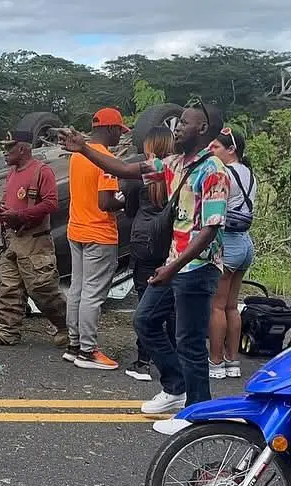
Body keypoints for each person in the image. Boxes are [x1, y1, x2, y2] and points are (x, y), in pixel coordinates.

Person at [60, 101, 228, 430]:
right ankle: (176, 387)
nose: (177, 128)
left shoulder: (214, 171)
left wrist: (173, 266)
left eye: (185, 123)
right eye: (177, 122)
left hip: (197, 267)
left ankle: (196, 413)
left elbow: (209, 231)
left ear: (203, 131)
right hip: (173, 265)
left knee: (190, 341)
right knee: (146, 321)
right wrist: (83, 149)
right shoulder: (173, 162)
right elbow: (124, 170)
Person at [0, 130, 68, 348]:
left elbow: (51, 203)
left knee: (43, 288)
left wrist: (20, 215)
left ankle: (67, 327)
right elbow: (5, 207)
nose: (5, 151)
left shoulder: (41, 171)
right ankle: (7, 332)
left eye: (9, 147)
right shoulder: (11, 174)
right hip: (12, 239)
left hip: (35, 239)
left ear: (23, 148)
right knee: (7, 287)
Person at [63, 108, 127, 370]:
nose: (120, 138)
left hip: (76, 229)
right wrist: (121, 201)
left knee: (77, 289)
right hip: (99, 233)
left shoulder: (77, 157)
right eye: (119, 132)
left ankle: (74, 344)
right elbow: (105, 202)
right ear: (111, 129)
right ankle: (88, 351)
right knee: (93, 293)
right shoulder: (105, 159)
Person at [122, 127, 177, 382]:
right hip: (171, 241)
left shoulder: (142, 172)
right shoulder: (178, 172)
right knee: (173, 303)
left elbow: (129, 208)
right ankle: (174, 356)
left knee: (145, 301)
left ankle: (143, 360)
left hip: (143, 239)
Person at [207, 128, 255, 379]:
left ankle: (215, 362)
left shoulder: (224, 173)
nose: (210, 150)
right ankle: (232, 360)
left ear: (231, 149)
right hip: (246, 244)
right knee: (232, 306)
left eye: (215, 147)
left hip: (228, 243)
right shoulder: (249, 173)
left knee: (217, 306)